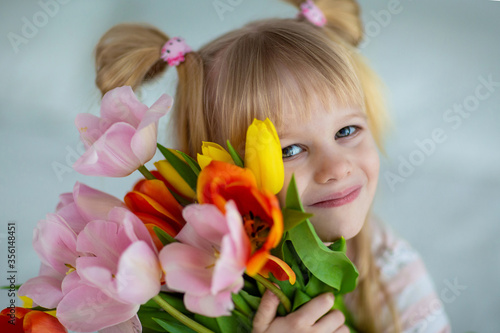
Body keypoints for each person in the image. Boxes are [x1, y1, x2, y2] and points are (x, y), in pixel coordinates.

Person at [92, 0, 451, 332]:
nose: (337, 168)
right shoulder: (190, 277)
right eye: (290, 149)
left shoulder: (390, 269)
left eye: (347, 130)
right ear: (221, 176)